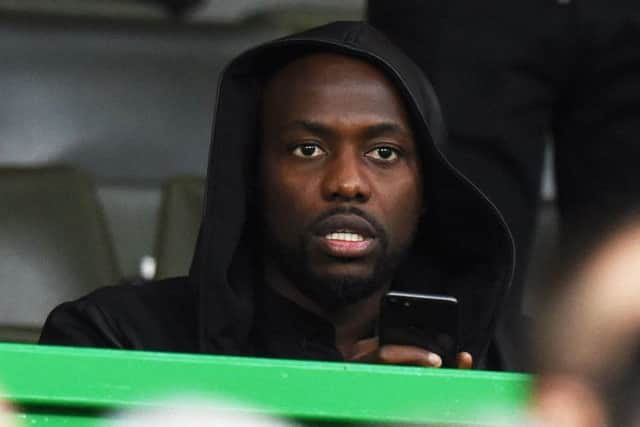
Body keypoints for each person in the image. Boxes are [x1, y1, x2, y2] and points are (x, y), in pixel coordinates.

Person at [39, 22, 514, 370]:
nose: (347, 183)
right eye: (308, 149)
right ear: (251, 176)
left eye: (384, 153)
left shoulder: (514, 364)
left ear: (429, 187)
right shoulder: (114, 341)